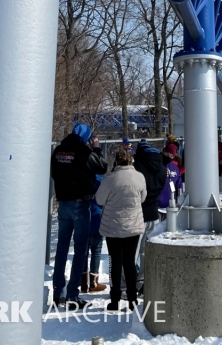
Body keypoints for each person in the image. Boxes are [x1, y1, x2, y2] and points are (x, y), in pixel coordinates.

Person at [50, 123, 108, 308]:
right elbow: (102, 167)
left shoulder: (58, 150)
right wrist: (96, 149)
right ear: (86, 136)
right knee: (81, 249)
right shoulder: (83, 151)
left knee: (62, 248)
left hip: (63, 203)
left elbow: (54, 173)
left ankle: (58, 292)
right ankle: (73, 295)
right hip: (80, 203)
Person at [95, 147, 147, 311]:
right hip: (133, 226)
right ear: (130, 160)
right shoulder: (139, 177)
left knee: (116, 262)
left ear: (116, 161)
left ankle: (115, 299)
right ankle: (132, 299)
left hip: (113, 227)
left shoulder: (110, 179)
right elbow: (143, 198)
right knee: (130, 262)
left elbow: (99, 199)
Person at [133, 138, 167, 284]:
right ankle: (143, 280)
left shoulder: (137, 168)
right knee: (146, 250)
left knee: (133, 251)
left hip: (138, 213)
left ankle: (130, 279)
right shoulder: (163, 168)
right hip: (154, 212)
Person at [82, 136, 108, 293]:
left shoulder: (82, 177)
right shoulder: (100, 179)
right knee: (96, 251)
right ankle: (93, 282)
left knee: (83, 251)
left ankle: (82, 282)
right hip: (97, 218)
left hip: (84, 216)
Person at [158, 144, 183, 210]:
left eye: (171, 155)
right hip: (158, 205)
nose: (169, 156)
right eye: (167, 154)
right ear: (164, 152)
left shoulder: (175, 168)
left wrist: (179, 199)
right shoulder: (157, 165)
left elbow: (179, 185)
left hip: (171, 206)